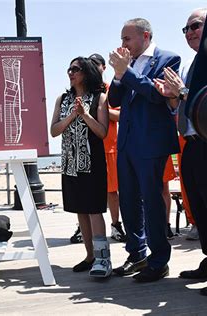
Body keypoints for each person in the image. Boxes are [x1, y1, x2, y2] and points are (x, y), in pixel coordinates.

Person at [108, 18, 180, 283]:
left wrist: (125, 71)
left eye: (127, 38)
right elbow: (115, 99)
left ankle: (159, 260)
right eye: (122, 39)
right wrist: (118, 75)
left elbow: (156, 94)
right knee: (128, 201)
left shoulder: (168, 59)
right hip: (126, 142)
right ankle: (136, 253)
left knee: (151, 200)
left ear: (145, 36)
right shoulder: (126, 65)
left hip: (151, 142)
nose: (122, 44)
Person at [153, 8, 207, 296]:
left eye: (196, 26)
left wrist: (182, 92)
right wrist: (173, 97)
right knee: (199, 207)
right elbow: (182, 107)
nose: (190, 32)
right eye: (185, 29)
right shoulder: (189, 65)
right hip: (192, 143)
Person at [51, 56, 111, 278]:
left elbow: (102, 132)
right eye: (69, 68)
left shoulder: (99, 98)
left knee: (94, 210)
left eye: (75, 69)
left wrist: (85, 115)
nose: (70, 72)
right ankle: (90, 256)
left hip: (92, 162)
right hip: (70, 163)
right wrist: (71, 117)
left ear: (86, 72)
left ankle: (103, 259)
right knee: (81, 211)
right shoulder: (62, 99)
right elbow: (54, 130)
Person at [89, 53, 127, 243]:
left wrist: (99, 109)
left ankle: (115, 224)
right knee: (86, 190)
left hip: (109, 146)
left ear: (104, 67)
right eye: (90, 64)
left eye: (96, 64)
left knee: (112, 191)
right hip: (87, 147)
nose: (93, 67)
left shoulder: (109, 89)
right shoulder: (81, 90)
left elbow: (120, 116)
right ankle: (83, 227)